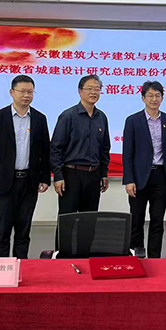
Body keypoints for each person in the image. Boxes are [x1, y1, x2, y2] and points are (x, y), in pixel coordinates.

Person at [0, 75, 50, 259]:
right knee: (2, 231)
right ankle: (0, 268)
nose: (26, 95)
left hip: (29, 182)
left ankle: (21, 266)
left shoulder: (40, 119)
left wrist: (45, 178)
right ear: (12, 92)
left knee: (23, 231)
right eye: (22, 91)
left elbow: (45, 151)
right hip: (5, 182)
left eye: (30, 92)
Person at [122, 81, 166, 258]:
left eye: (157, 95)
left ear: (162, 98)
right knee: (136, 219)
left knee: (157, 220)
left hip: (160, 176)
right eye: (150, 96)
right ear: (143, 98)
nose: (154, 99)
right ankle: (136, 254)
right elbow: (127, 153)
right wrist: (129, 180)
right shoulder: (133, 121)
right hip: (139, 178)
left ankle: (155, 258)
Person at [51, 75, 111, 223]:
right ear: (80, 91)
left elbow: (105, 148)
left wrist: (104, 173)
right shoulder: (68, 116)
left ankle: (86, 241)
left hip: (94, 175)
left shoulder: (101, 117)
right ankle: (64, 242)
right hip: (71, 174)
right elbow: (56, 148)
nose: (93, 92)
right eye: (89, 88)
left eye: (97, 89)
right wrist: (58, 176)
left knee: (89, 220)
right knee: (67, 220)